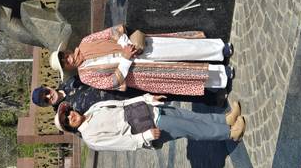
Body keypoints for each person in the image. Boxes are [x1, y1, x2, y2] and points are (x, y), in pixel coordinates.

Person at [47, 25, 234, 96]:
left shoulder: (85, 42)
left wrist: (124, 43)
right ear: (67, 68)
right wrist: (126, 60)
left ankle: (219, 49)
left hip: (137, 47)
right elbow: (112, 82)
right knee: (181, 75)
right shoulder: (86, 76)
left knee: (180, 47)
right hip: (139, 73)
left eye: (63, 55)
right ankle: (222, 76)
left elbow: (110, 33)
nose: (67, 58)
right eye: (64, 62)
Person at [54, 96, 246, 151]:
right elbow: (120, 143)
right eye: (66, 120)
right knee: (191, 129)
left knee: (190, 117)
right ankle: (229, 133)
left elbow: (122, 103)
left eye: (68, 112)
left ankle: (224, 120)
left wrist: (147, 98)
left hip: (148, 109)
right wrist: (144, 137)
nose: (70, 116)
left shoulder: (93, 108)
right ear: (69, 127)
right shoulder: (90, 138)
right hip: (148, 126)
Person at [31, 75, 143, 114]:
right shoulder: (64, 113)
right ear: (46, 105)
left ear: (47, 87)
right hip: (123, 108)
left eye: (46, 92)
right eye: (46, 100)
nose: (49, 96)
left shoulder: (68, 81)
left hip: (121, 88)